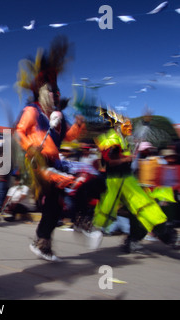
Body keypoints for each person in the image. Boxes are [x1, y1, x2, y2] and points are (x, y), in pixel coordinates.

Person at [15, 36, 86, 261]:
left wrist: (79, 125)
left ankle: (43, 242)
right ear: (41, 91)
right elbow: (19, 132)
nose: (55, 94)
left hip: (55, 162)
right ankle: (78, 222)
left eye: (56, 91)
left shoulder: (58, 116)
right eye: (51, 90)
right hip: (39, 162)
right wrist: (31, 147)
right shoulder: (32, 111)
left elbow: (68, 136)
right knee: (61, 186)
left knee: (55, 206)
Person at [93, 113, 179, 253]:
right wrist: (125, 160)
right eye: (126, 125)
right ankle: (97, 229)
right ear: (117, 127)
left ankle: (156, 233)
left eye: (130, 125)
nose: (129, 128)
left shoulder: (126, 141)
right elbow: (110, 160)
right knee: (109, 210)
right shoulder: (110, 139)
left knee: (142, 206)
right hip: (116, 181)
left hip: (128, 180)